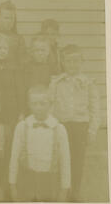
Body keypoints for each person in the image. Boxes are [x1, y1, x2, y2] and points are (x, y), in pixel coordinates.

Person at [49, 44, 101, 201]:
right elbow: (50, 104)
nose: (73, 65)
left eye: (76, 61)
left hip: (80, 126)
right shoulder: (56, 82)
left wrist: (92, 131)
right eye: (69, 61)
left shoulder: (89, 83)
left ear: (82, 62)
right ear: (63, 63)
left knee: (77, 160)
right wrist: (52, 127)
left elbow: (95, 109)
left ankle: (75, 192)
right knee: (61, 158)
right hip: (62, 126)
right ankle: (62, 191)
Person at [9, 85, 71, 202]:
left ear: (50, 104)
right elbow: (14, 157)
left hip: (50, 181)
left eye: (43, 103)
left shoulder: (59, 129)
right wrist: (12, 184)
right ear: (29, 104)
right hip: (27, 180)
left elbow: (65, 161)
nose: (39, 108)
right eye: (34, 103)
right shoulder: (22, 127)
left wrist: (64, 189)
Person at [23, 36, 60, 115]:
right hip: (30, 106)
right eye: (37, 50)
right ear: (31, 52)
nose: (40, 53)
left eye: (43, 50)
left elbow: (56, 90)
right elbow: (23, 90)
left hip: (48, 107)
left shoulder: (53, 69)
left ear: (48, 51)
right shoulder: (26, 68)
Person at [0, 0, 27, 67]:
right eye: (6, 18)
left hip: (13, 74)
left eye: (12, 18)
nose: (9, 21)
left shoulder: (19, 39)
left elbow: (23, 62)